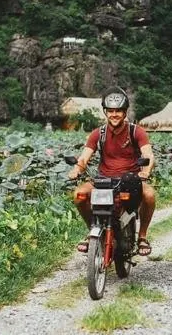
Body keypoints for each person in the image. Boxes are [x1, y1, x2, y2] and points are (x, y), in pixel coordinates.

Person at [67, 87, 157, 256]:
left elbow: (148, 155)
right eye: (111, 111)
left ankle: (143, 236)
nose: (114, 114)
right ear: (105, 112)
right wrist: (76, 170)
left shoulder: (136, 132)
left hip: (130, 179)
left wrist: (145, 171)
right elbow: (84, 157)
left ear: (124, 112)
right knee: (79, 195)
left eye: (118, 111)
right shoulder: (98, 134)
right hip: (103, 179)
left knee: (150, 195)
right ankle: (93, 229)